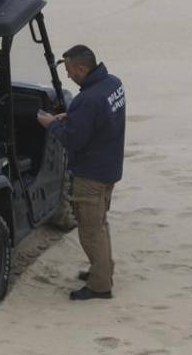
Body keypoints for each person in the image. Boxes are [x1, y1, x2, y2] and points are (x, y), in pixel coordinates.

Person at [37, 44, 126, 301]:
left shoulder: (88, 100)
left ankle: (100, 286)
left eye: (69, 71)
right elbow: (97, 120)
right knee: (99, 223)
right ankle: (103, 269)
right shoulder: (113, 84)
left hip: (90, 174)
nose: (68, 76)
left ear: (81, 68)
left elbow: (73, 141)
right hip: (109, 167)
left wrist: (51, 124)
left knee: (89, 230)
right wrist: (73, 117)